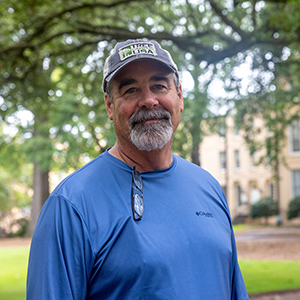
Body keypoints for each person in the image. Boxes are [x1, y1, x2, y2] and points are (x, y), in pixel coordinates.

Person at [27, 38, 249, 300]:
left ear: (179, 97)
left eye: (159, 85)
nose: (148, 100)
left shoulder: (207, 186)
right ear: (110, 106)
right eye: (130, 90)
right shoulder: (71, 205)